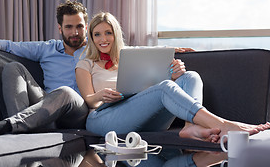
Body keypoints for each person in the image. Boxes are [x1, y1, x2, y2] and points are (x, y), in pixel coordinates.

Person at [75, 12, 270, 142]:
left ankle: (190, 126)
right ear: (91, 38)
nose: (103, 39)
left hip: (141, 117)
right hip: (104, 118)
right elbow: (88, 100)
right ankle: (222, 124)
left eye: (108, 33)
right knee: (164, 87)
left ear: (115, 34)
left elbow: (153, 71)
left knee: (190, 77)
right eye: (97, 34)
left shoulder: (131, 55)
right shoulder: (86, 63)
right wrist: (101, 95)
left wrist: (174, 66)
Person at [0, 0, 90, 134]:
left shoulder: (96, 51)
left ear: (86, 27)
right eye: (69, 27)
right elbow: (11, 46)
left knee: (66, 92)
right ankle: (20, 129)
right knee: (14, 68)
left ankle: (9, 125)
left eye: (79, 26)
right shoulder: (47, 49)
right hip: (47, 110)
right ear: (60, 28)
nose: (75, 32)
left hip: (77, 112)